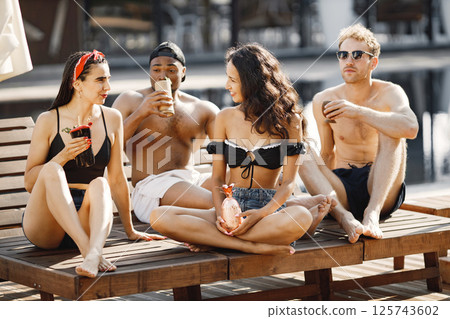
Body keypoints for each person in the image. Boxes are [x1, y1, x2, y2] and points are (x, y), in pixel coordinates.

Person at [150, 43, 334, 255]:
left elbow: (289, 182)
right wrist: (222, 215)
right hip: (231, 203)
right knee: (159, 216)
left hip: (268, 209)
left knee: (301, 217)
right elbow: (218, 180)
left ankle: (214, 240)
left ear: (251, 81)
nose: (227, 85)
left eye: (233, 79)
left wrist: (262, 213)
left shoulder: (290, 121)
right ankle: (249, 245)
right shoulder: (225, 118)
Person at [22, 50, 164, 278]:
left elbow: (117, 179)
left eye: (108, 79)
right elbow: (30, 182)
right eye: (100, 80)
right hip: (47, 224)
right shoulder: (49, 120)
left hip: (89, 218)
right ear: (77, 84)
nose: (107, 87)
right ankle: (90, 252)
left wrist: (130, 230)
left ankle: (92, 254)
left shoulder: (112, 118)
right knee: (52, 169)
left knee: (100, 182)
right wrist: (63, 156)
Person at [299, 24, 419, 243]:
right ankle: (345, 218)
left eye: (357, 55)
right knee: (301, 150)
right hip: (343, 189)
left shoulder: (390, 93)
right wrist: (319, 188)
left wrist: (358, 112)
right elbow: (327, 152)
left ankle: (371, 214)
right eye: (343, 55)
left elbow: (410, 128)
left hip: (383, 190)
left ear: (373, 62)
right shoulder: (323, 100)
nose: (349, 61)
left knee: (393, 128)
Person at [112, 41, 220, 224]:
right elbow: (108, 147)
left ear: (183, 72)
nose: (163, 76)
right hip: (151, 188)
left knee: (241, 188)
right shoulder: (130, 100)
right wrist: (141, 113)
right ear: (149, 72)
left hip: (192, 180)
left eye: (171, 70)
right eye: (156, 70)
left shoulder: (203, 109)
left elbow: (230, 150)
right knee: (218, 202)